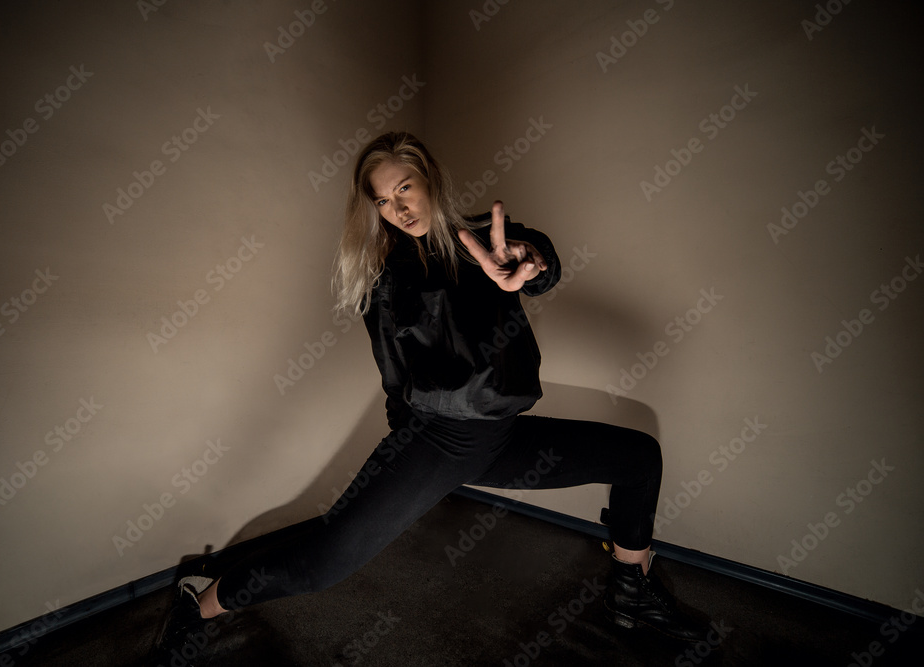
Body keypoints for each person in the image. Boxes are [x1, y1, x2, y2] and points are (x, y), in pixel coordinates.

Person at [151, 131, 710, 665]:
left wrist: (527, 261)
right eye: (382, 200)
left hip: (501, 437)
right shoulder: (389, 276)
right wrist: (408, 457)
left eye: (405, 188)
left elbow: (536, 260)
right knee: (321, 565)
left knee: (638, 457)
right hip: (436, 441)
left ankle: (631, 591)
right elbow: (394, 371)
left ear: (430, 181)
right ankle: (197, 602)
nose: (397, 207)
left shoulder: (482, 241)